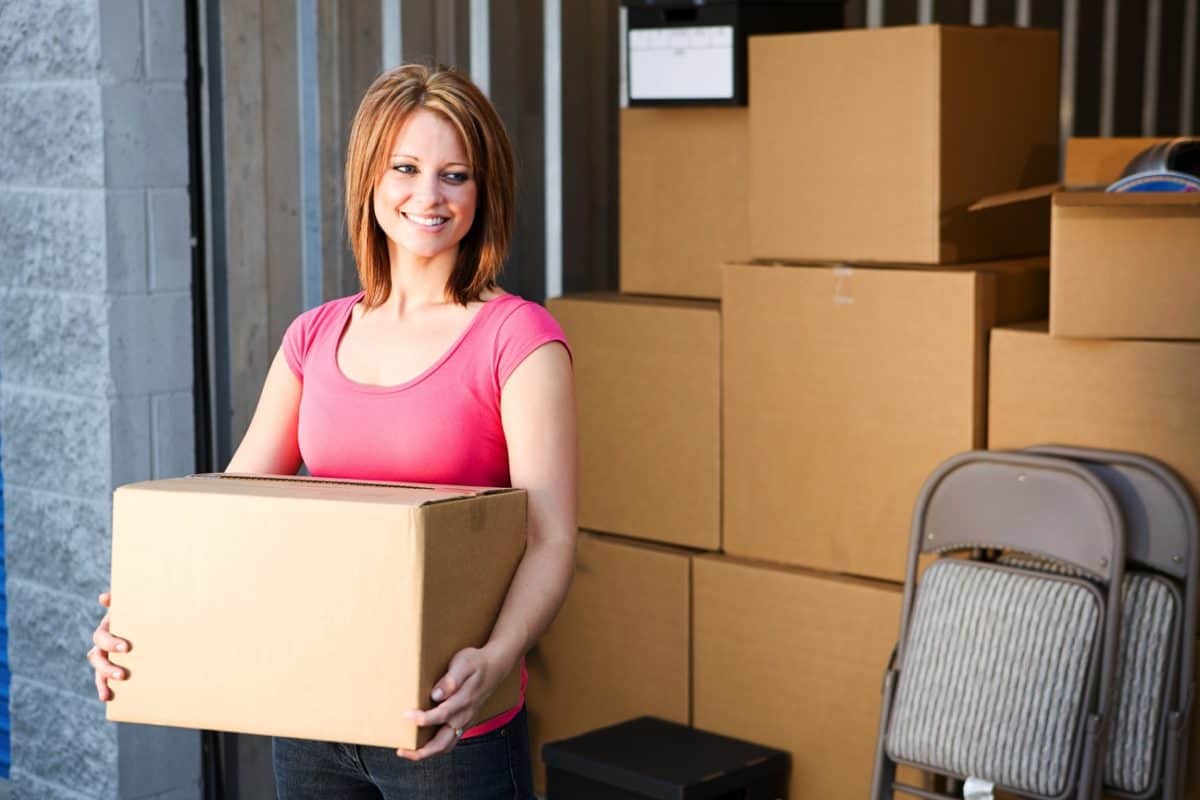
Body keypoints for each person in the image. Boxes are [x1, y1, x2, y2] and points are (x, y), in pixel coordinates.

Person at [86, 63, 577, 799]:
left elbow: (551, 537)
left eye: (456, 175)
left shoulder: (518, 340)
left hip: (448, 727)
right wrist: (137, 619)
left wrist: (498, 657)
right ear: (370, 178)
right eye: (406, 167)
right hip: (315, 717)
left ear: (485, 190)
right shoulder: (314, 338)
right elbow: (229, 510)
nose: (429, 196)